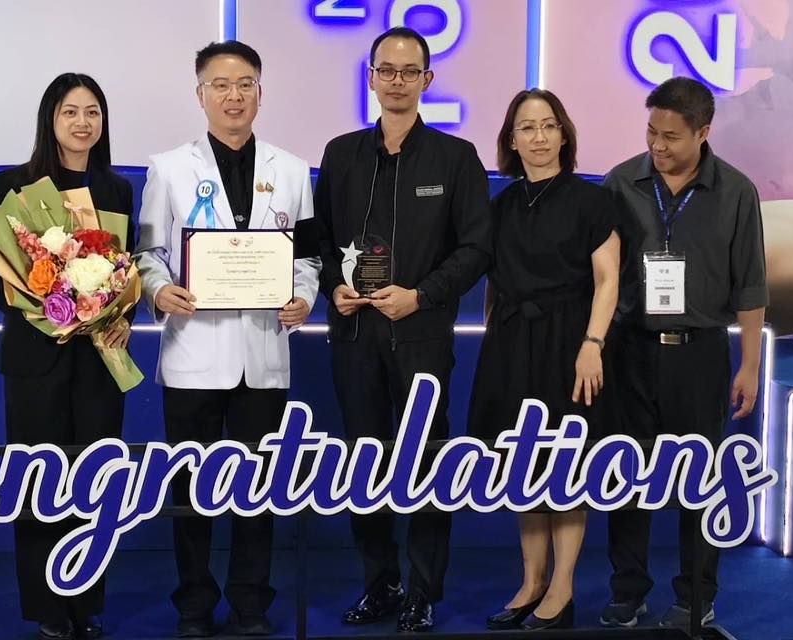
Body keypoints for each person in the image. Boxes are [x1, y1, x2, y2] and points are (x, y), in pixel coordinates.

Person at [135, 40, 321, 638]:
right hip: (192, 353)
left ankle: (250, 603)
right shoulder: (168, 168)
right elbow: (147, 252)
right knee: (190, 493)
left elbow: (308, 256)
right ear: (201, 94)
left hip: (263, 355)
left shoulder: (292, 170)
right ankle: (193, 604)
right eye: (220, 85)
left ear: (260, 93)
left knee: (257, 491)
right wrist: (158, 290)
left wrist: (303, 296)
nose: (233, 96)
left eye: (245, 85)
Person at [313, 26, 493, 634]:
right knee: (364, 463)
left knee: (425, 462)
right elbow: (317, 241)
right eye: (386, 70)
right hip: (354, 335)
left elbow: (476, 248)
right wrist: (331, 288)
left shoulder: (455, 157)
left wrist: (421, 296)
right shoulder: (341, 154)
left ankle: (422, 590)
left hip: (421, 336)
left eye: (409, 71)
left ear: (427, 80)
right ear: (370, 78)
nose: (396, 80)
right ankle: (380, 584)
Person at [601, 77, 767, 629]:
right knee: (625, 475)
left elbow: (750, 285)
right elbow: (600, 277)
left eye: (671, 136)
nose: (657, 144)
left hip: (700, 354)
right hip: (630, 348)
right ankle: (628, 590)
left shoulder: (736, 191)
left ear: (703, 132)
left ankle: (696, 595)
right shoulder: (621, 183)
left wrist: (750, 364)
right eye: (651, 131)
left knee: (699, 479)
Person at [0, 72, 133, 640]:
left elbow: (127, 269)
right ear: (50, 119)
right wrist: (50, 307)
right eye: (71, 112)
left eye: (92, 112)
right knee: (39, 482)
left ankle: (87, 603)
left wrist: (114, 310)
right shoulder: (12, 185)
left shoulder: (117, 190)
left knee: (94, 481)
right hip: (35, 357)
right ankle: (48, 608)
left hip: (98, 359)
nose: (82, 123)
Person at [470, 89, 620, 632]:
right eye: (527, 127)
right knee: (523, 467)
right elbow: (492, 282)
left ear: (564, 134)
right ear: (511, 140)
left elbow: (608, 280)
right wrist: (495, 336)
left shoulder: (592, 201)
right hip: (512, 343)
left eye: (548, 125)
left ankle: (562, 588)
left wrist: (592, 344)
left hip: (570, 343)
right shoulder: (501, 205)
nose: (538, 136)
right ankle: (531, 582)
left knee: (565, 467)